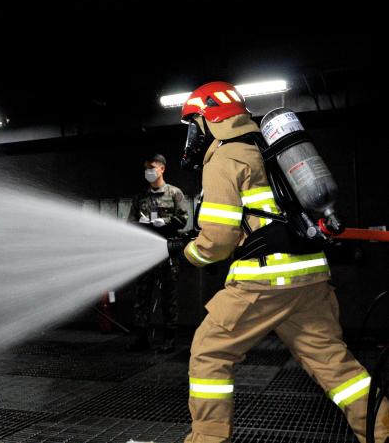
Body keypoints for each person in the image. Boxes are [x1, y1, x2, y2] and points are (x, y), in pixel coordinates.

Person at [177, 81, 389, 443]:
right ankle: (382, 432)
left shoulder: (226, 157)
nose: (193, 134)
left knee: (208, 355)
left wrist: (188, 253)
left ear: (207, 119)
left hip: (263, 283)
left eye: (193, 123)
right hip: (310, 280)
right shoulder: (269, 147)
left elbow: (217, 241)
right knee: (336, 367)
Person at [127, 154, 188, 352]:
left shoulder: (174, 193)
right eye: (146, 168)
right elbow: (130, 223)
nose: (148, 172)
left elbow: (184, 219)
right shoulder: (140, 198)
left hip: (167, 252)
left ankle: (169, 338)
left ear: (162, 168)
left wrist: (167, 223)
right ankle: (141, 337)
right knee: (141, 296)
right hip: (145, 254)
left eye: (152, 167)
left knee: (168, 296)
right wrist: (140, 224)